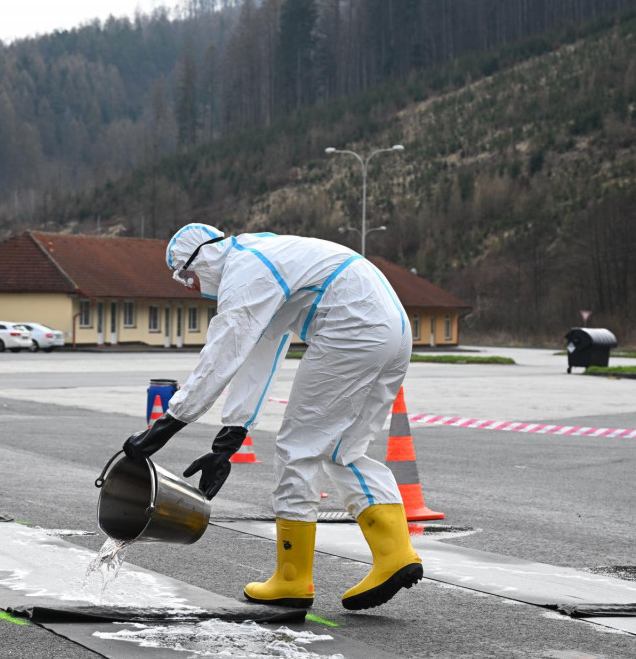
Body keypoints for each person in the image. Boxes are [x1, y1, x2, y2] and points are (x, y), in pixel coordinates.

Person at [123, 223, 421, 612]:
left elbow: (222, 352)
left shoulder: (244, 271)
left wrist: (167, 425)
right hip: (391, 329)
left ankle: (292, 579)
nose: (188, 285)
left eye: (185, 274)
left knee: (297, 448)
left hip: (352, 329)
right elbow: (258, 353)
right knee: (340, 450)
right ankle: (395, 554)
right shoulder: (266, 259)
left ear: (203, 257)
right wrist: (227, 441)